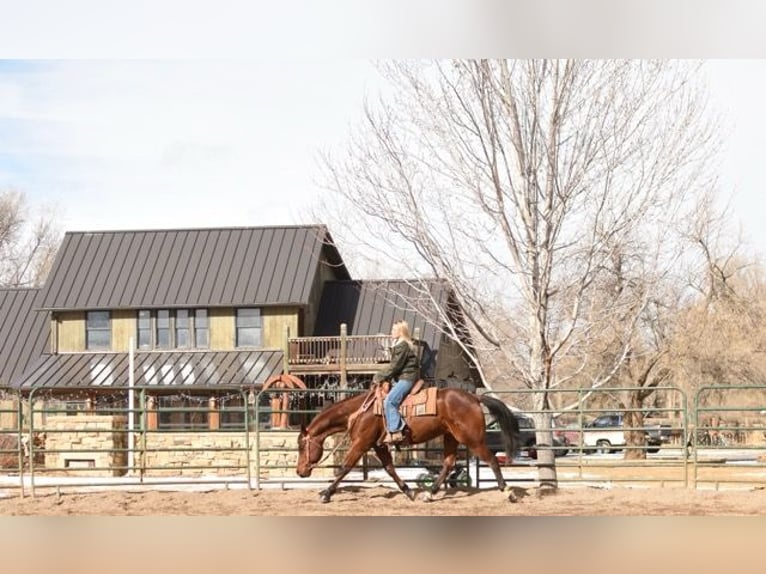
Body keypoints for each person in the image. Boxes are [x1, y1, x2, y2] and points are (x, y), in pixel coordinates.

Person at [372, 320, 420, 445]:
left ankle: (396, 431)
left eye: (394, 330)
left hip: (407, 378)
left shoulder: (402, 345)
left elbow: (395, 367)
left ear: (401, 332)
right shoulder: (398, 345)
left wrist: (378, 376)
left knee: (390, 401)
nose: (391, 332)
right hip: (403, 376)